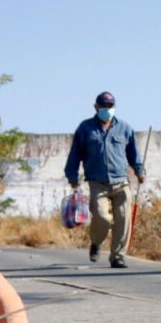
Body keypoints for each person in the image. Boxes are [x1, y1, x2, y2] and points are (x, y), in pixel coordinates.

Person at [64, 91, 146, 268]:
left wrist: (140, 171)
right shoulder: (85, 128)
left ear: (114, 107)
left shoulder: (125, 128)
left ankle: (118, 256)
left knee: (123, 219)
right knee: (102, 217)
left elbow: (134, 154)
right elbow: (75, 154)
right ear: (96, 107)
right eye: (103, 106)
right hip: (97, 182)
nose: (107, 109)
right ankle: (96, 242)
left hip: (121, 181)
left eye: (110, 106)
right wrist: (72, 175)